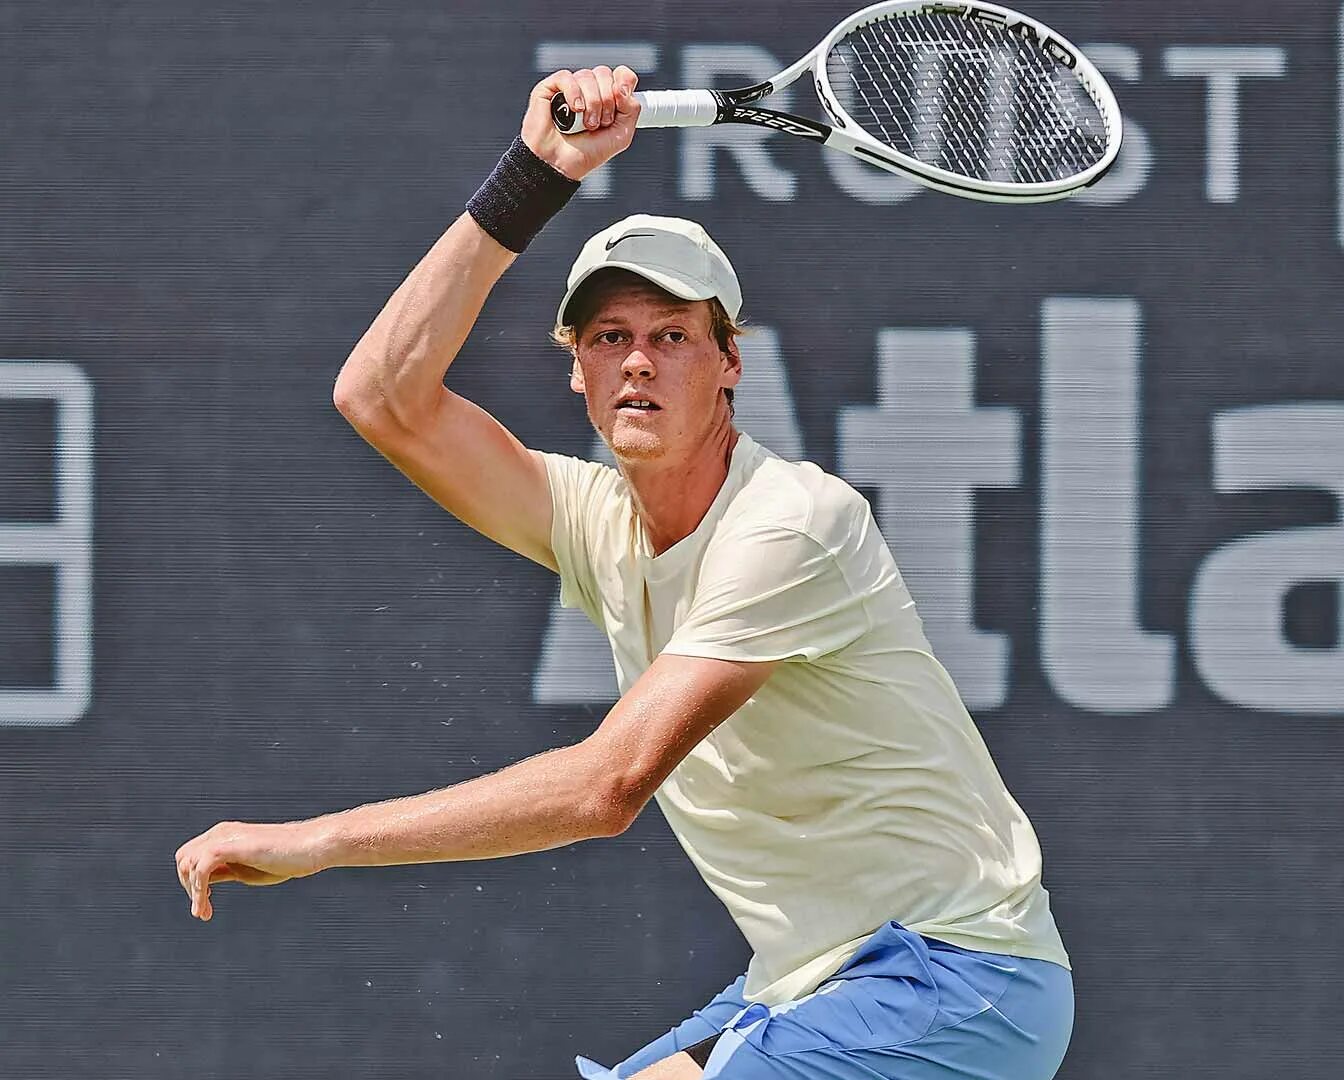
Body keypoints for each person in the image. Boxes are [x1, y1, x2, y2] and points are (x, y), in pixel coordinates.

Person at [172, 65, 1073, 1079]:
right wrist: (534, 176)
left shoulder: (792, 524)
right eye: (610, 338)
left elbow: (606, 787)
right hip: (813, 974)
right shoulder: (595, 517)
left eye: (673, 337)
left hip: (955, 981)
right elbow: (381, 398)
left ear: (732, 363)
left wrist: (320, 842)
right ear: (577, 368)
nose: (638, 362)